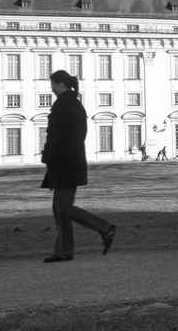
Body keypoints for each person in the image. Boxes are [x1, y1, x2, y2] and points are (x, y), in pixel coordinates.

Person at [41, 70, 116, 263]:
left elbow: (54, 135)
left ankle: (105, 228)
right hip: (72, 160)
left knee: (64, 208)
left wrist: (47, 156)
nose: (51, 88)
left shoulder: (62, 105)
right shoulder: (76, 105)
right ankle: (64, 250)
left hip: (63, 162)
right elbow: (81, 134)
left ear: (60, 85)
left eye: (53, 84)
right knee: (59, 208)